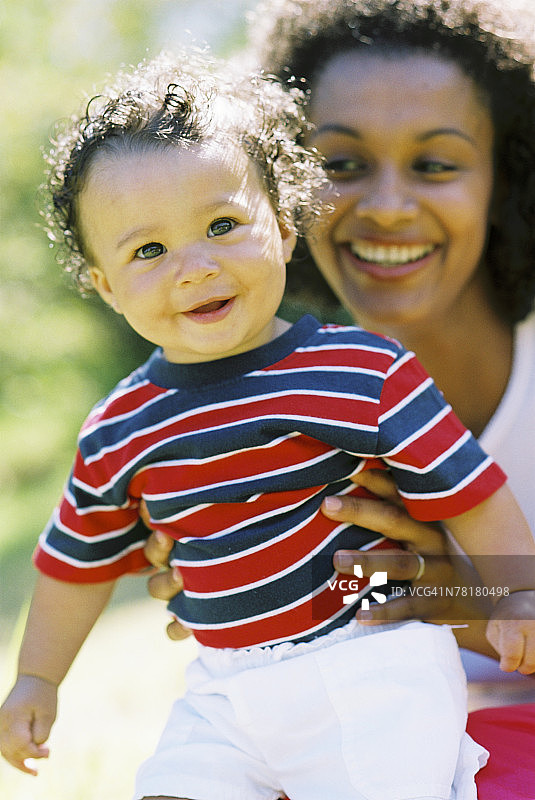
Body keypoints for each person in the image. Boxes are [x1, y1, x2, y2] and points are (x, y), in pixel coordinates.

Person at [1, 45, 535, 800]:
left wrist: (515, 594)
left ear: (283, 228)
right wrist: (37, 678)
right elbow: (73, 565)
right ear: (106, 286)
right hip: (226, 688)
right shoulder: (119, 426)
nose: (194, 265)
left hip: (368, 664)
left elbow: (470, 491)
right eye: (148, 249)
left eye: (222, 224)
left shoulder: (362, 372)